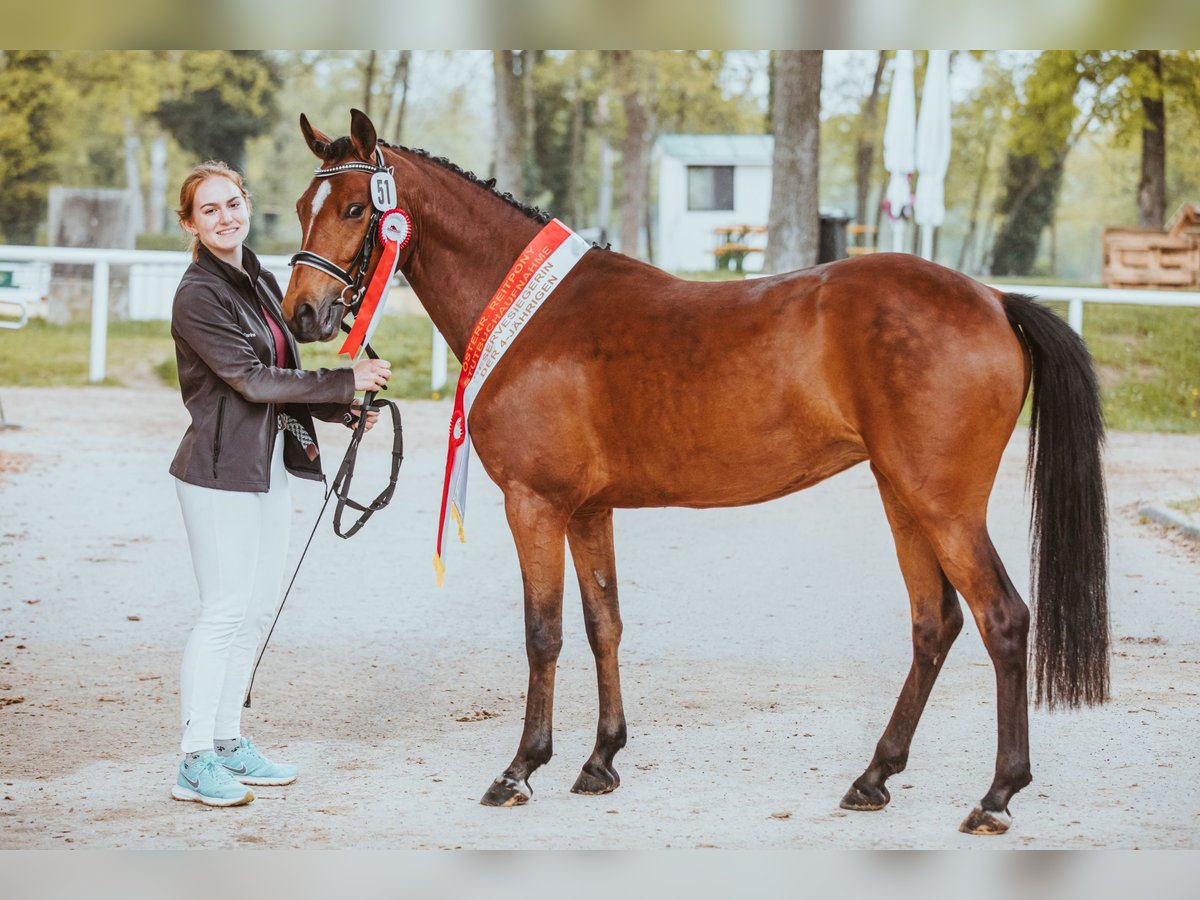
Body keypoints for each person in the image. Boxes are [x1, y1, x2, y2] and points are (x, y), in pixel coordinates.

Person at [167, 161, 391, 807]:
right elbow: (251, 380)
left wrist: (340, 408)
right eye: (208, 210)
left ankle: (229, 741)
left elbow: (280, 375)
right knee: (223, 612)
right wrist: (346, 379)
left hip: (265, 468)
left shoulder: (258, 278)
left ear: (247, 205)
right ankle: (193, 758)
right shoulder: (198, 294)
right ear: (190, 223)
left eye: (232, 203)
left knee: (256, 610)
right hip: (218, 476)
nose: (225, 217)